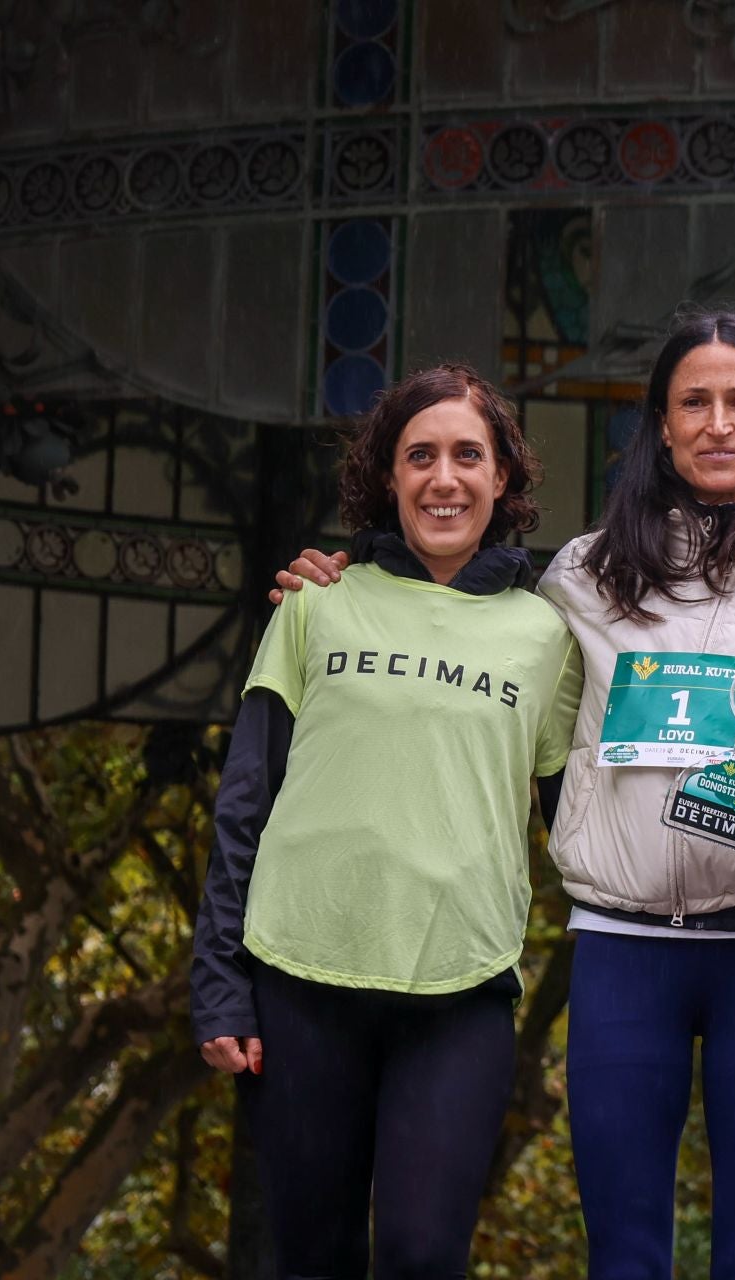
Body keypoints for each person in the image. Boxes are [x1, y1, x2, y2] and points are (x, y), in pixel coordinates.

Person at [271, 311, 735, 1278]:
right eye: (692, 402)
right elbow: (464, 629)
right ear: (661, 425)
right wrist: (345, 574)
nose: (717, 423)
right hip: (624, 953)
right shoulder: (585, 573)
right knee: (621, 1257)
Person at [192, 365, 581, 1279]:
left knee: (419, 1253)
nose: (444, 478)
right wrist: (218, 984)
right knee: (312, 1257)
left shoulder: (548, 638)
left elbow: (580, 825)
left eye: (468, 457)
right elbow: (244, 800)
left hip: (461, 995)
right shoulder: (315, 603)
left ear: (502, 480)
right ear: (388, 477)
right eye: (421, 457)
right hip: (297, 984)